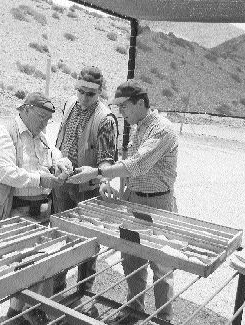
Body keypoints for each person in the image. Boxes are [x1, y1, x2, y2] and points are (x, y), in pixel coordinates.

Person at [67, 80, 178, 323]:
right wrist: (116, 189)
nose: (121, 112)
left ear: (140, 103)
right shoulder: (140, 127)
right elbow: (130, 169)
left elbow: (137, 165)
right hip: (134, 201)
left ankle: (164, 319)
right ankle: (133, 311)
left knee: (161, 266)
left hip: (158, 205)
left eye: (124, 106)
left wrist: (96, 173)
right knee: (131, 260)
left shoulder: (162, 130)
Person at [0, 92, 68, 325]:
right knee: (33, 265)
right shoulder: (3, 133)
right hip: (17, 212)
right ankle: (33, 313)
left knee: (32, 264)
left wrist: (61, 161)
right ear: (24, 110)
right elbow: (4, 173)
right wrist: (41, 180)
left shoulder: (40, 134)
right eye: (41, 117)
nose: (45, 123)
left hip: (40, 212)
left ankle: (17, 313)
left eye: (48, 119)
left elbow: (51, 154)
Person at [52, 66, 118, 316]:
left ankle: (82, 296)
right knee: (60, 237)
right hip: (62, 182)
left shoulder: (106, 119)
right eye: (79, 91)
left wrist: (99, 176)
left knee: (86, 244)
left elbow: (106, 162)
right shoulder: (70, 104)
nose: (83, 98)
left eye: (89, 94)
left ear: (100, 92)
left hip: (86, 189)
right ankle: (56, 291)